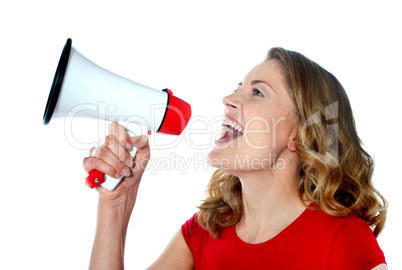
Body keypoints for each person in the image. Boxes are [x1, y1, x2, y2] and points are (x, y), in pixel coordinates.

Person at [83, 47, 387, 269]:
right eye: (237, 88)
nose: (228, 100)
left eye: (257, 93)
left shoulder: (343, 240)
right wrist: (115, 204)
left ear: (300, 133)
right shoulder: (204, 231)